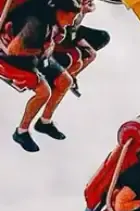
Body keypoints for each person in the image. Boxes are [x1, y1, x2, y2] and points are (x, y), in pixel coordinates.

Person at [1, 0, 82, 152]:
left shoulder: (50, 17)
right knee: (44, 92)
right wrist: (41, 51)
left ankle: (44, 122)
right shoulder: (35, 24)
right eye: (71, 17)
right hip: (13, 59)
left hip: (38, 55)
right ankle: (21, 131)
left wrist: (46, 48)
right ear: (61, 12)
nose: (72, 22)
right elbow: (12, 50)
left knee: (66, 81)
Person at [51, 0, 110, 97]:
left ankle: (72, 73)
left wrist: (89, 8)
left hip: (75, 31)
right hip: (65, 33)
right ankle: (64, 74)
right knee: (91, 54)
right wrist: (82, 9)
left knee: (103, 37)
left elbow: (91, 7)